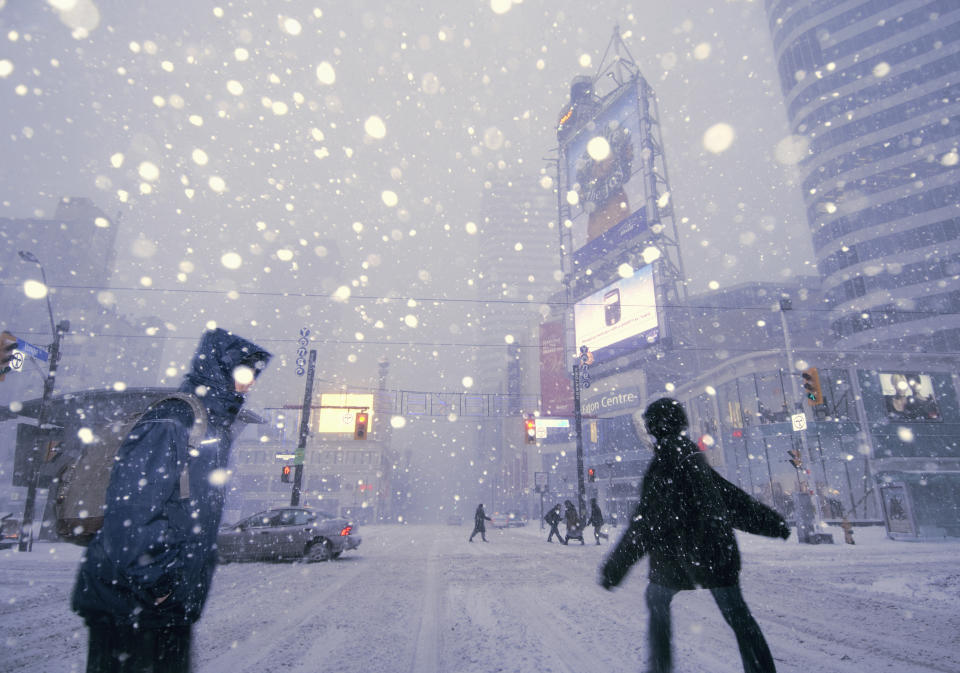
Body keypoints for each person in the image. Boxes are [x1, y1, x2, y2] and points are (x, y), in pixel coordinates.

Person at [72, 328, 271, 673]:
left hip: (160, 607)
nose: (247, 384)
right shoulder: (175, 419)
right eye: (242, 373)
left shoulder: (211, 424)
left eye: (252, 376)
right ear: (218, 369)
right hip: (133, 604)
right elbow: (132, 507)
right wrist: (157, 583)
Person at [599, 398, 790, 673]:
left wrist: (615, 568)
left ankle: (660, 667)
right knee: (738, 616)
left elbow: (644, 525)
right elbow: (733, 500)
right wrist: (772, 523)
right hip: (716, 553)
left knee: (657, 599)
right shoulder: (692, 456)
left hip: (682, 557)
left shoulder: (664, 464)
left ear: (654, 428)